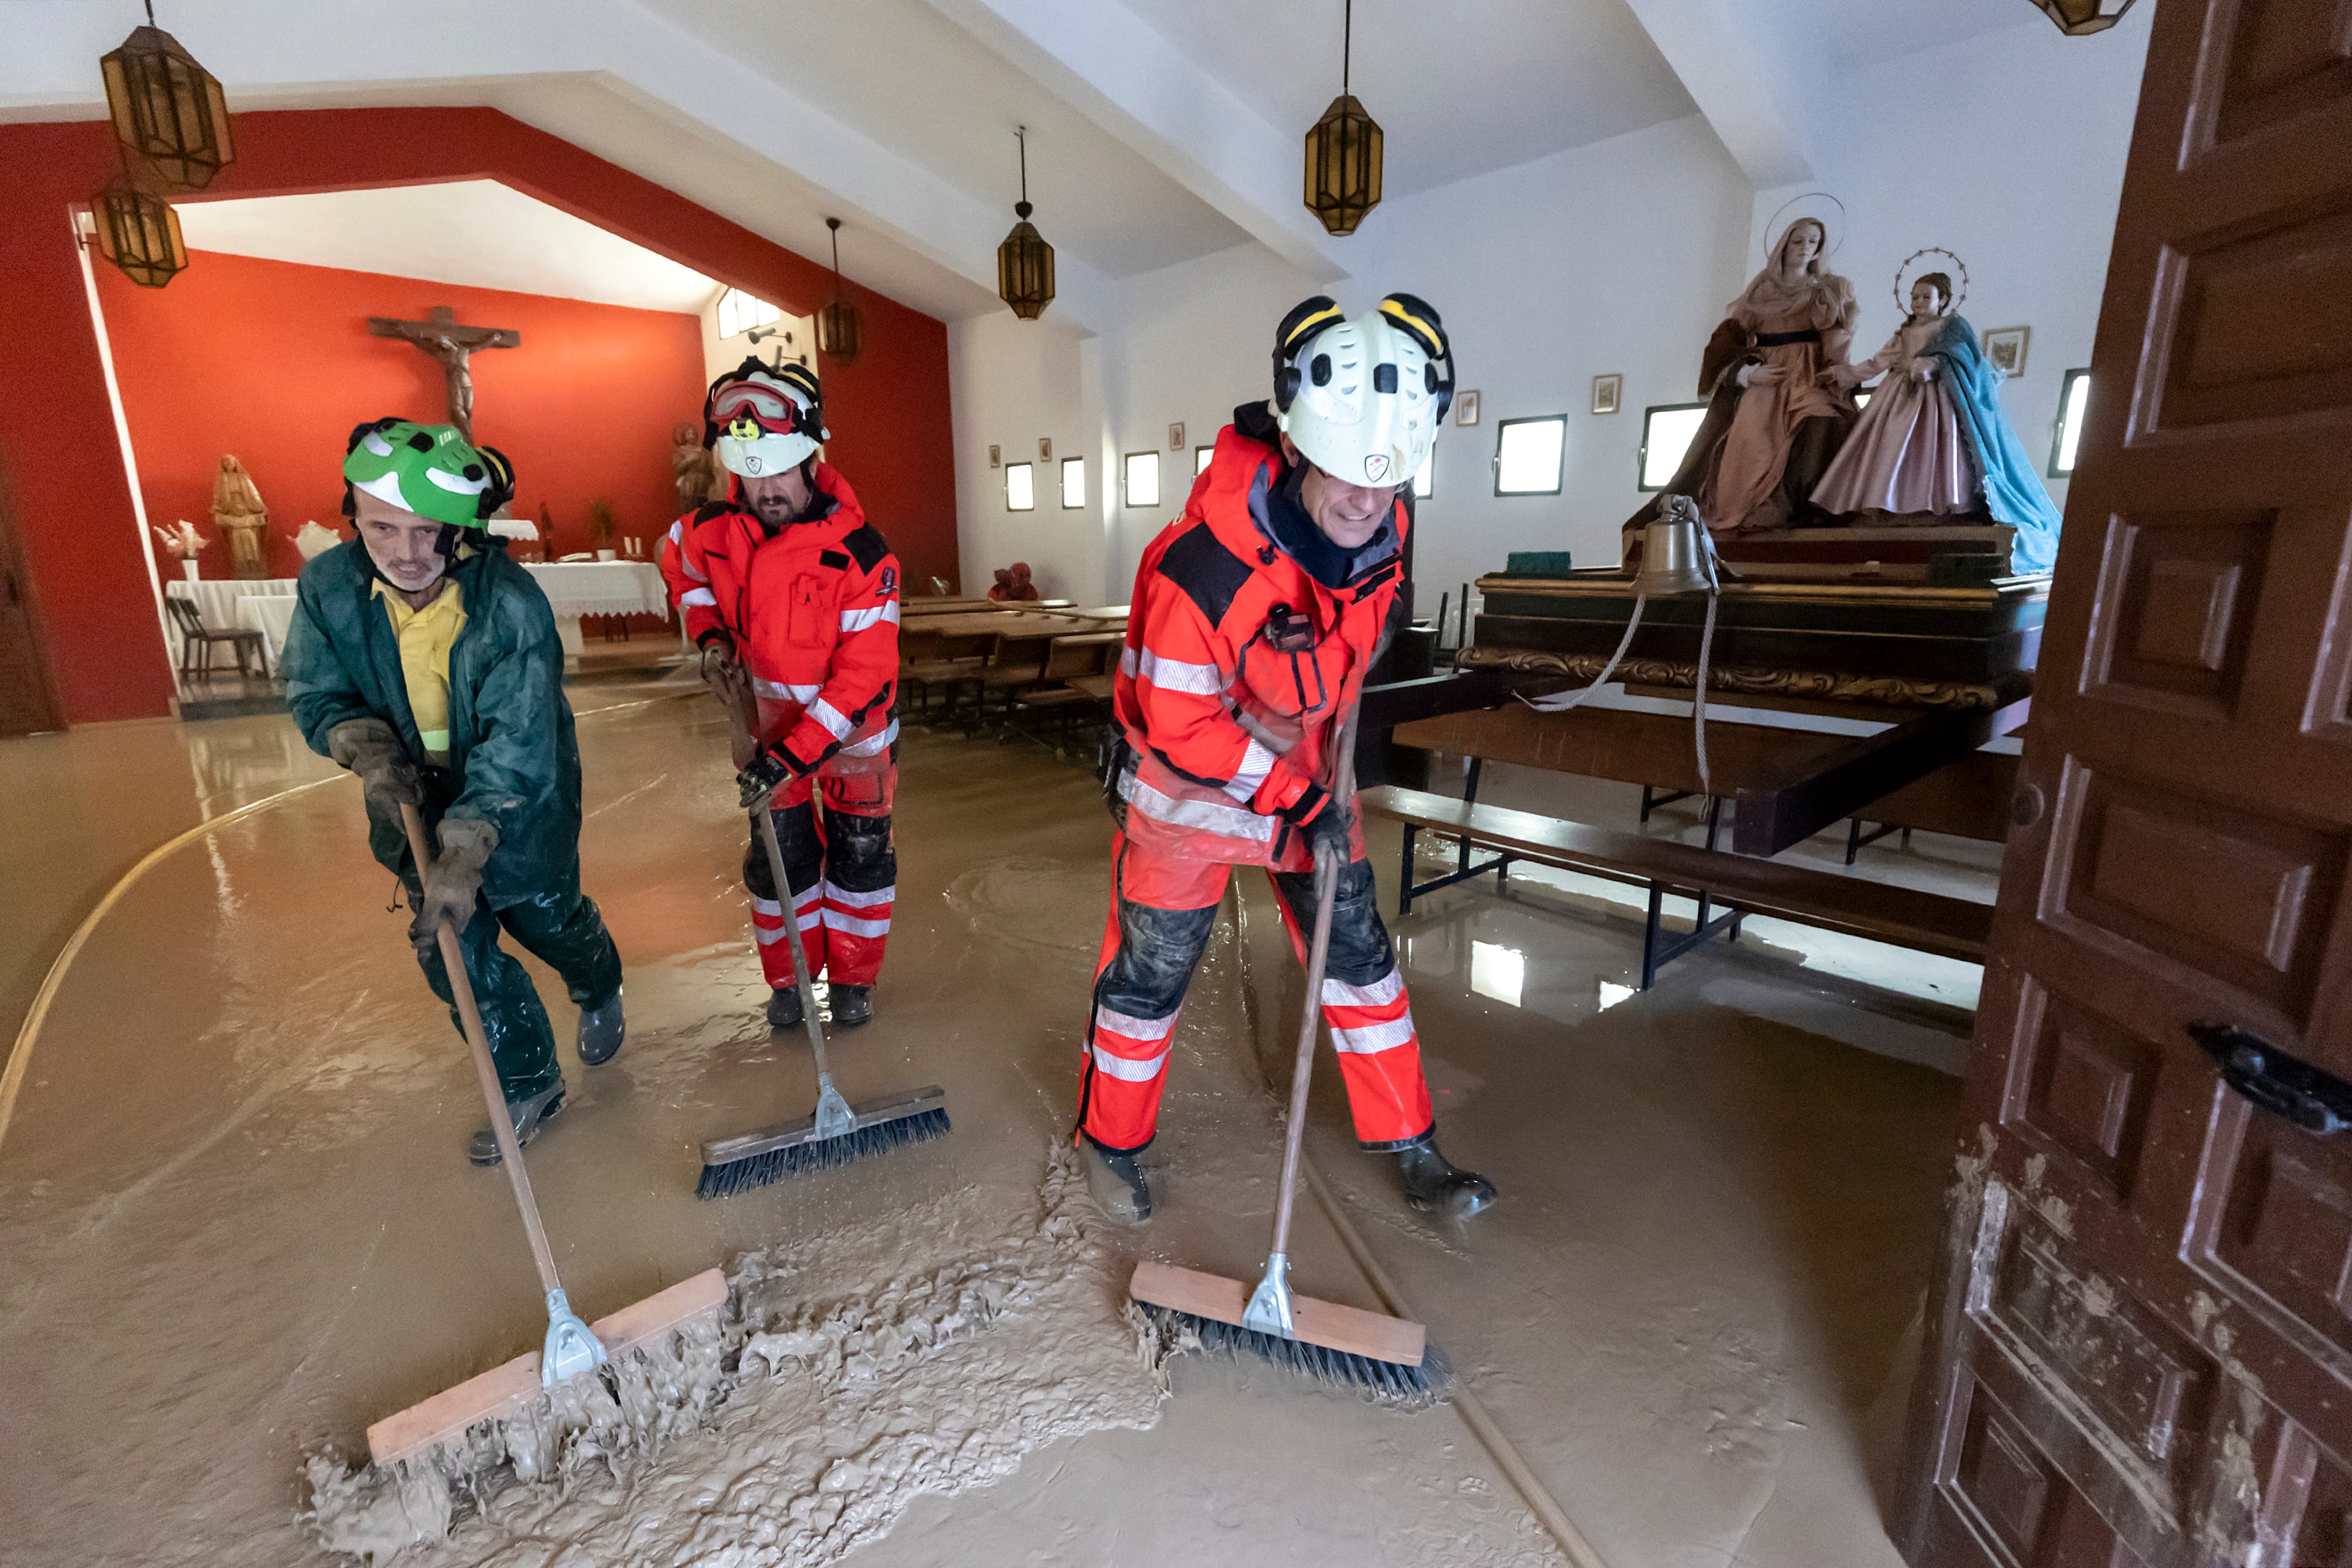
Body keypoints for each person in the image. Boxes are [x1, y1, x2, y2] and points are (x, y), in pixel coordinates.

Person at [1076, 293, 1498, 1227]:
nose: (1366, 501)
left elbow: (1348, 650)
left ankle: (1411, 1144)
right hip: (1186, 804)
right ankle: (1110, 1144)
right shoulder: (1202, 567)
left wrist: (1317, 789)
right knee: (1149, 981)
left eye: (1388, 484)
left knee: (1360, 963)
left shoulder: (1379, 529)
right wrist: (1289, 795)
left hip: (1307, 787)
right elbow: (1181, 724)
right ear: (1297, 446)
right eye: (1348, 476)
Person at [283, 420, 624, 1164]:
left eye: (426, 532)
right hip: (412, 806)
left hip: (519, 807)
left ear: (462, 528)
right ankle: (528, 1081)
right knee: (450, 946)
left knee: (548, 921)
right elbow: (317, 692)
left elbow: (518, 741)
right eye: (381, 528)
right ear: (354, 516)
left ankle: (598, 981)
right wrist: (363, 746)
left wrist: (466, 851)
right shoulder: (328, 589)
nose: (405, 553)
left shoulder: (511, 605)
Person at [661, 359, 901, 1030]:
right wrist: (711, 637)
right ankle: (793, 979)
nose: (766, 489)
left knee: (860, 858)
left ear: (810, 459)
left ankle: (853, 980)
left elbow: (863, 677)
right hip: (764, 731)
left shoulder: (861, 554)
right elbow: (684, 572)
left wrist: (792, 756)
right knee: (780, 860)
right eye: (752, 473)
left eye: (780, 472)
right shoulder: (710, 532)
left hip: (850, 737)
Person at [1813, 270, 2065, 572]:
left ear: (1942, 300)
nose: (1919, 303)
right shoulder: (1904, 331)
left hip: (1936, 397)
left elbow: (1964, 355)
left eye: (1926, 297)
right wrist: (1845, 374)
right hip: (1897, 395)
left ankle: (1934, 508)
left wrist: (1932, 363)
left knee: (1935, 452)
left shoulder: (1951, 327)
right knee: (1888, 450)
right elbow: (1878, 362)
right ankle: (1887, 507)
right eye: (1915, 297)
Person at [1626, 216, 1859, 541]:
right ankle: (1758, 508)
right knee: (1751, 437)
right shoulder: (1761, 290)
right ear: (1784, 244)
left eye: (1813, 242)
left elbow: (1836, 338)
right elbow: (1729, 337)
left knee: (1821, 419)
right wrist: (1746, 374)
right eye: (1798, 241)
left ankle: (1805, 506)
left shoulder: (1828, 290)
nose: (1806, 249)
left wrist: (1838, 373)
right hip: (1768, 377)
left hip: (1808, 374)